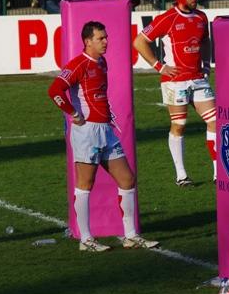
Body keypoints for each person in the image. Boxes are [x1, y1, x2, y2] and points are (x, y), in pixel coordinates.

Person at [47, 21, 159, 252]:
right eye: (101, 38)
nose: (106, 41)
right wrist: (72, 113)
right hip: (87, 132)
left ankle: (130, 235)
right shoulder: (78, 64)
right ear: (88, 41)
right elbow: (54, 90)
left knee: (127, 179)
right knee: (85, 183)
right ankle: (86, 239)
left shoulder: (102, 63)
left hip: (105, 131)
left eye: (106, 37)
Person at [134, 0, 216, 185]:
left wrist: (206, 64)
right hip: (175, 82)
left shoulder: (201, 17)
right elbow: (139, 41)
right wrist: (159, 67)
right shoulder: (167, 18)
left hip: (199, 79)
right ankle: (181, 175)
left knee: (216, 122)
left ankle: (219, 173)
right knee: (179, 125)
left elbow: (205, 41)